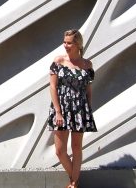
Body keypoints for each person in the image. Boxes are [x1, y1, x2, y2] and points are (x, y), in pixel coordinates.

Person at [47, 29, 97, 188]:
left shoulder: (87, 64)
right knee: (60, 151)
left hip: (80, 109)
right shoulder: (58, 61)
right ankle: (74, 179)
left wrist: (88, 109)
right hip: (62, 108)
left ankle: (74, 184)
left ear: (77, 45)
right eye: (65, 42)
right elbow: (53, 87)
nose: (65, 45)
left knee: (77, 148)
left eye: (69, 42)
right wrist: (58, 111)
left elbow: (88, 90)